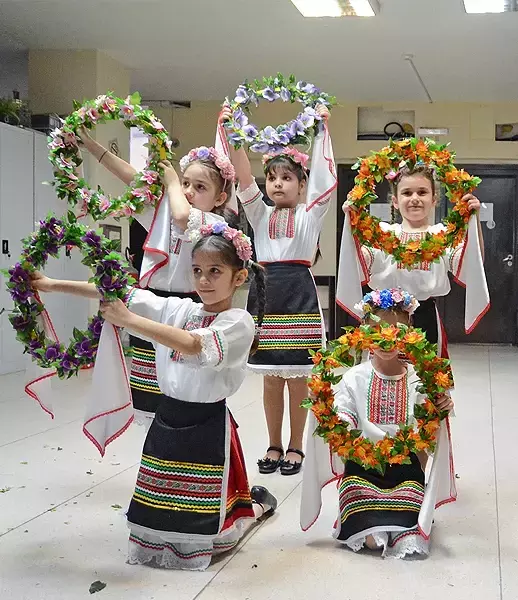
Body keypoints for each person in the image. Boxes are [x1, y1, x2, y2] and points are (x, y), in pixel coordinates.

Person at [30, 223, 277, 570]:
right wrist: (50, 285)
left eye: (214, 271)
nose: (203, 280)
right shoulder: (184, 311)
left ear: (238, 278)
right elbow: (118, 293)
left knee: (207, 511)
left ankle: (255, 508)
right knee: (160, 493)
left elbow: (194, 344)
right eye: (196, 271)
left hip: (206, 422)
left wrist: (129, 319)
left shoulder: (238, 322)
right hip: (168, 417)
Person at [78, 129, 236, 422]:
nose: (189, 191)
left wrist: (173, 181)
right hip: (150, 303)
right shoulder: (162, 212)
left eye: (200, 187)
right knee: (148, 398)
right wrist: (94, 148)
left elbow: (180, 216)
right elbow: (132, 178)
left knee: (179, 388)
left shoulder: (212, 222)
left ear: (219, 198)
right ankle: (155, 446)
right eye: (186, 183)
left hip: (186, 308)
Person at [300, 288, 457, 558]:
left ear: (410, 334)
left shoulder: (419, 380)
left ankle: (401, 521)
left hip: (405, 471)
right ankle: (372, 525)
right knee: (364, 520)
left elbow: (429, 430)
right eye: (377, 330)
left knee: (409, 519)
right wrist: (321, 403)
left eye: (396, 331)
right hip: (362, 471)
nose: (386, 340)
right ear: (363, 333)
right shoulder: (353, 378)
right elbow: (342, 421)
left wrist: (443, 406)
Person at [225, 103, 335, 476]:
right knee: (271, 377)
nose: (277, 183)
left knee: (299, 376)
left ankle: (296, 446)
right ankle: (274, 444)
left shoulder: (311, 214)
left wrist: (321, 130)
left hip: (300, 295)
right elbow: (242, 180)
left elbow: (324, 177)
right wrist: (231, 132)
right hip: (265, 295)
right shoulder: (259, 213)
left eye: (287, 177)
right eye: (272, 177)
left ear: (302, 185)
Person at [338, 161, 489, 359]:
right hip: (384, 317)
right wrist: (353, 223)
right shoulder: (382, 233)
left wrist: (474, 219)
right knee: (383, 381)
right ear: (395, 201)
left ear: (434, 199)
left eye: (422, 192)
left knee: (427, 383)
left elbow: (473, 264)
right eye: (407, 193)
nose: (415, 199)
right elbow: (360, 262)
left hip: (425, 318)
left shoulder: (443, 235)